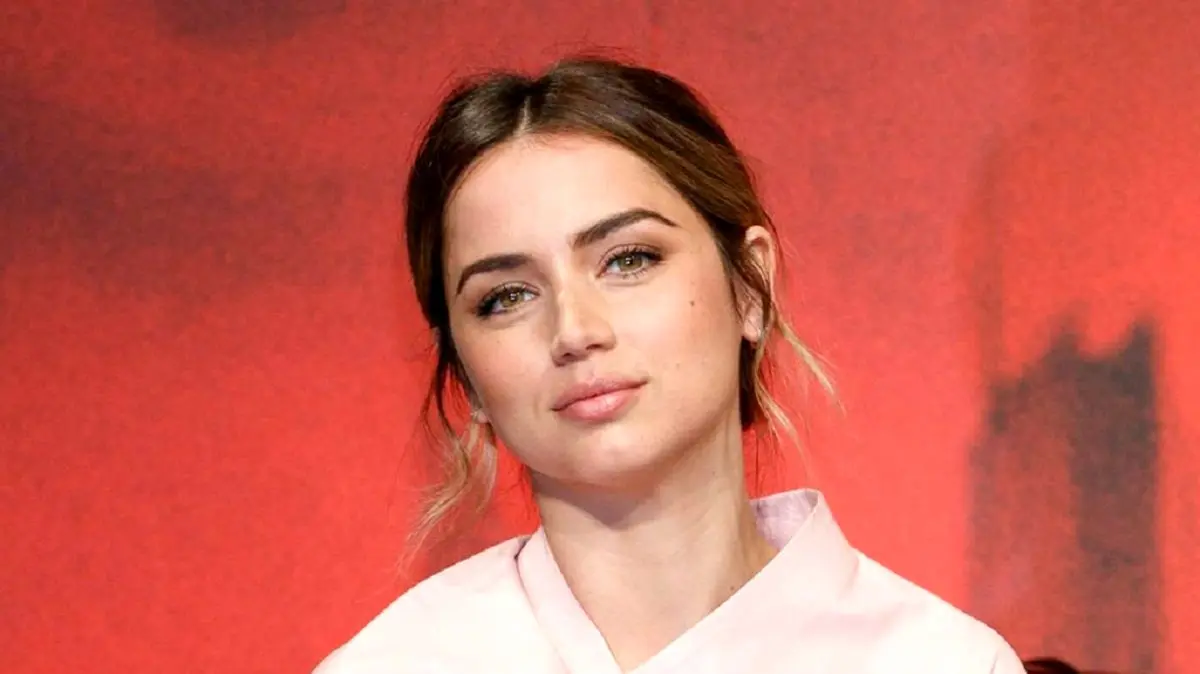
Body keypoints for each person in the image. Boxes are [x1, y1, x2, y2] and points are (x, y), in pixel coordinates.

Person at [315, 55, 1024, 673]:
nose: (575, 330)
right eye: (506, 297)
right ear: (464, 376)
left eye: (628, 260)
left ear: (749, 287)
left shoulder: (943, 662)